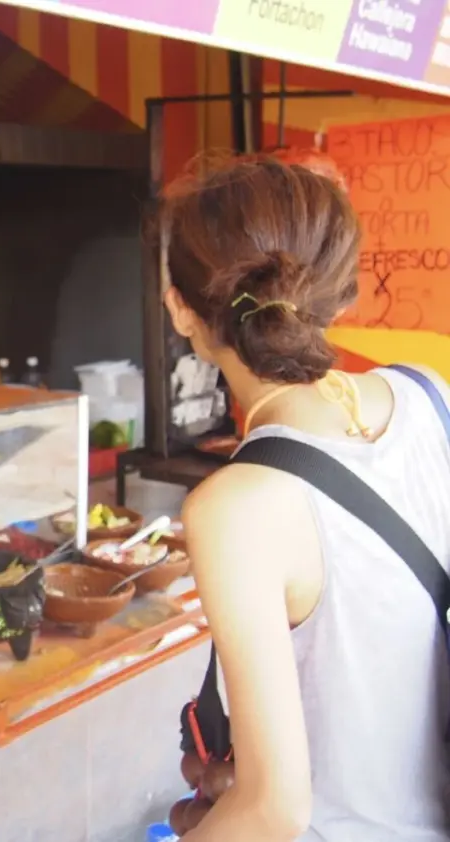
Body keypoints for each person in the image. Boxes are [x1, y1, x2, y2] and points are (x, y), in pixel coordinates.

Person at [160, 157, 450, 841]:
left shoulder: (237, 506)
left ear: (179, 307)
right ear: (342, 295)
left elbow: (272, 810)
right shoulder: (431, 397)